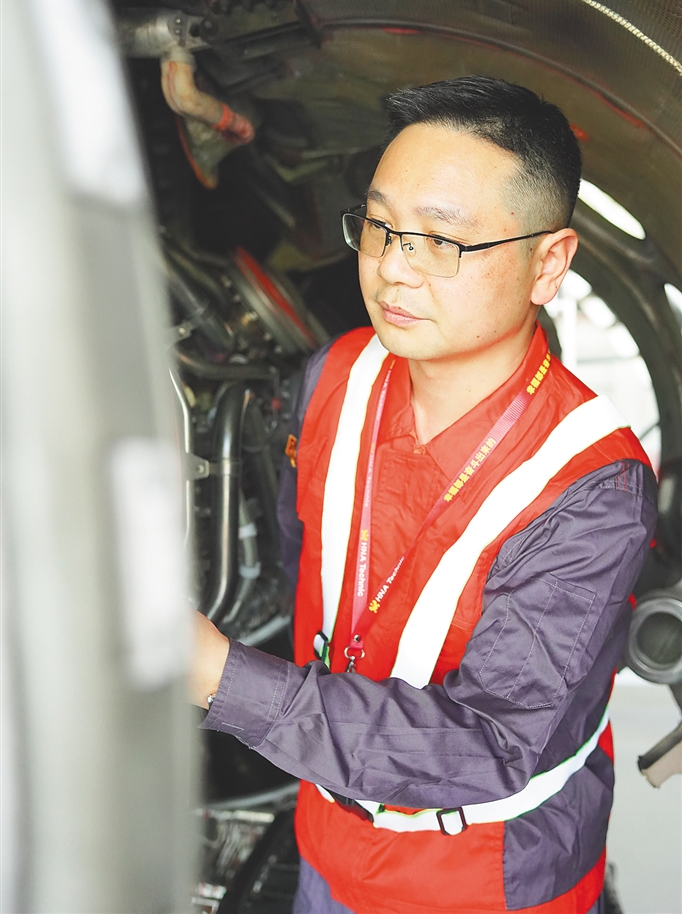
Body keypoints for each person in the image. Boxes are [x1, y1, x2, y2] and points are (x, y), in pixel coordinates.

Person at [191, 76, 657, 914]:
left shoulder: (591, 484)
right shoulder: (337, 373)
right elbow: (307, 567)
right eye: (379, 226)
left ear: (548, 263)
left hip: (479, 878)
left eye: (440, 240)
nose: (391, 268)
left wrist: (221, 677)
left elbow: (490, 742)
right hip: (326, 833)